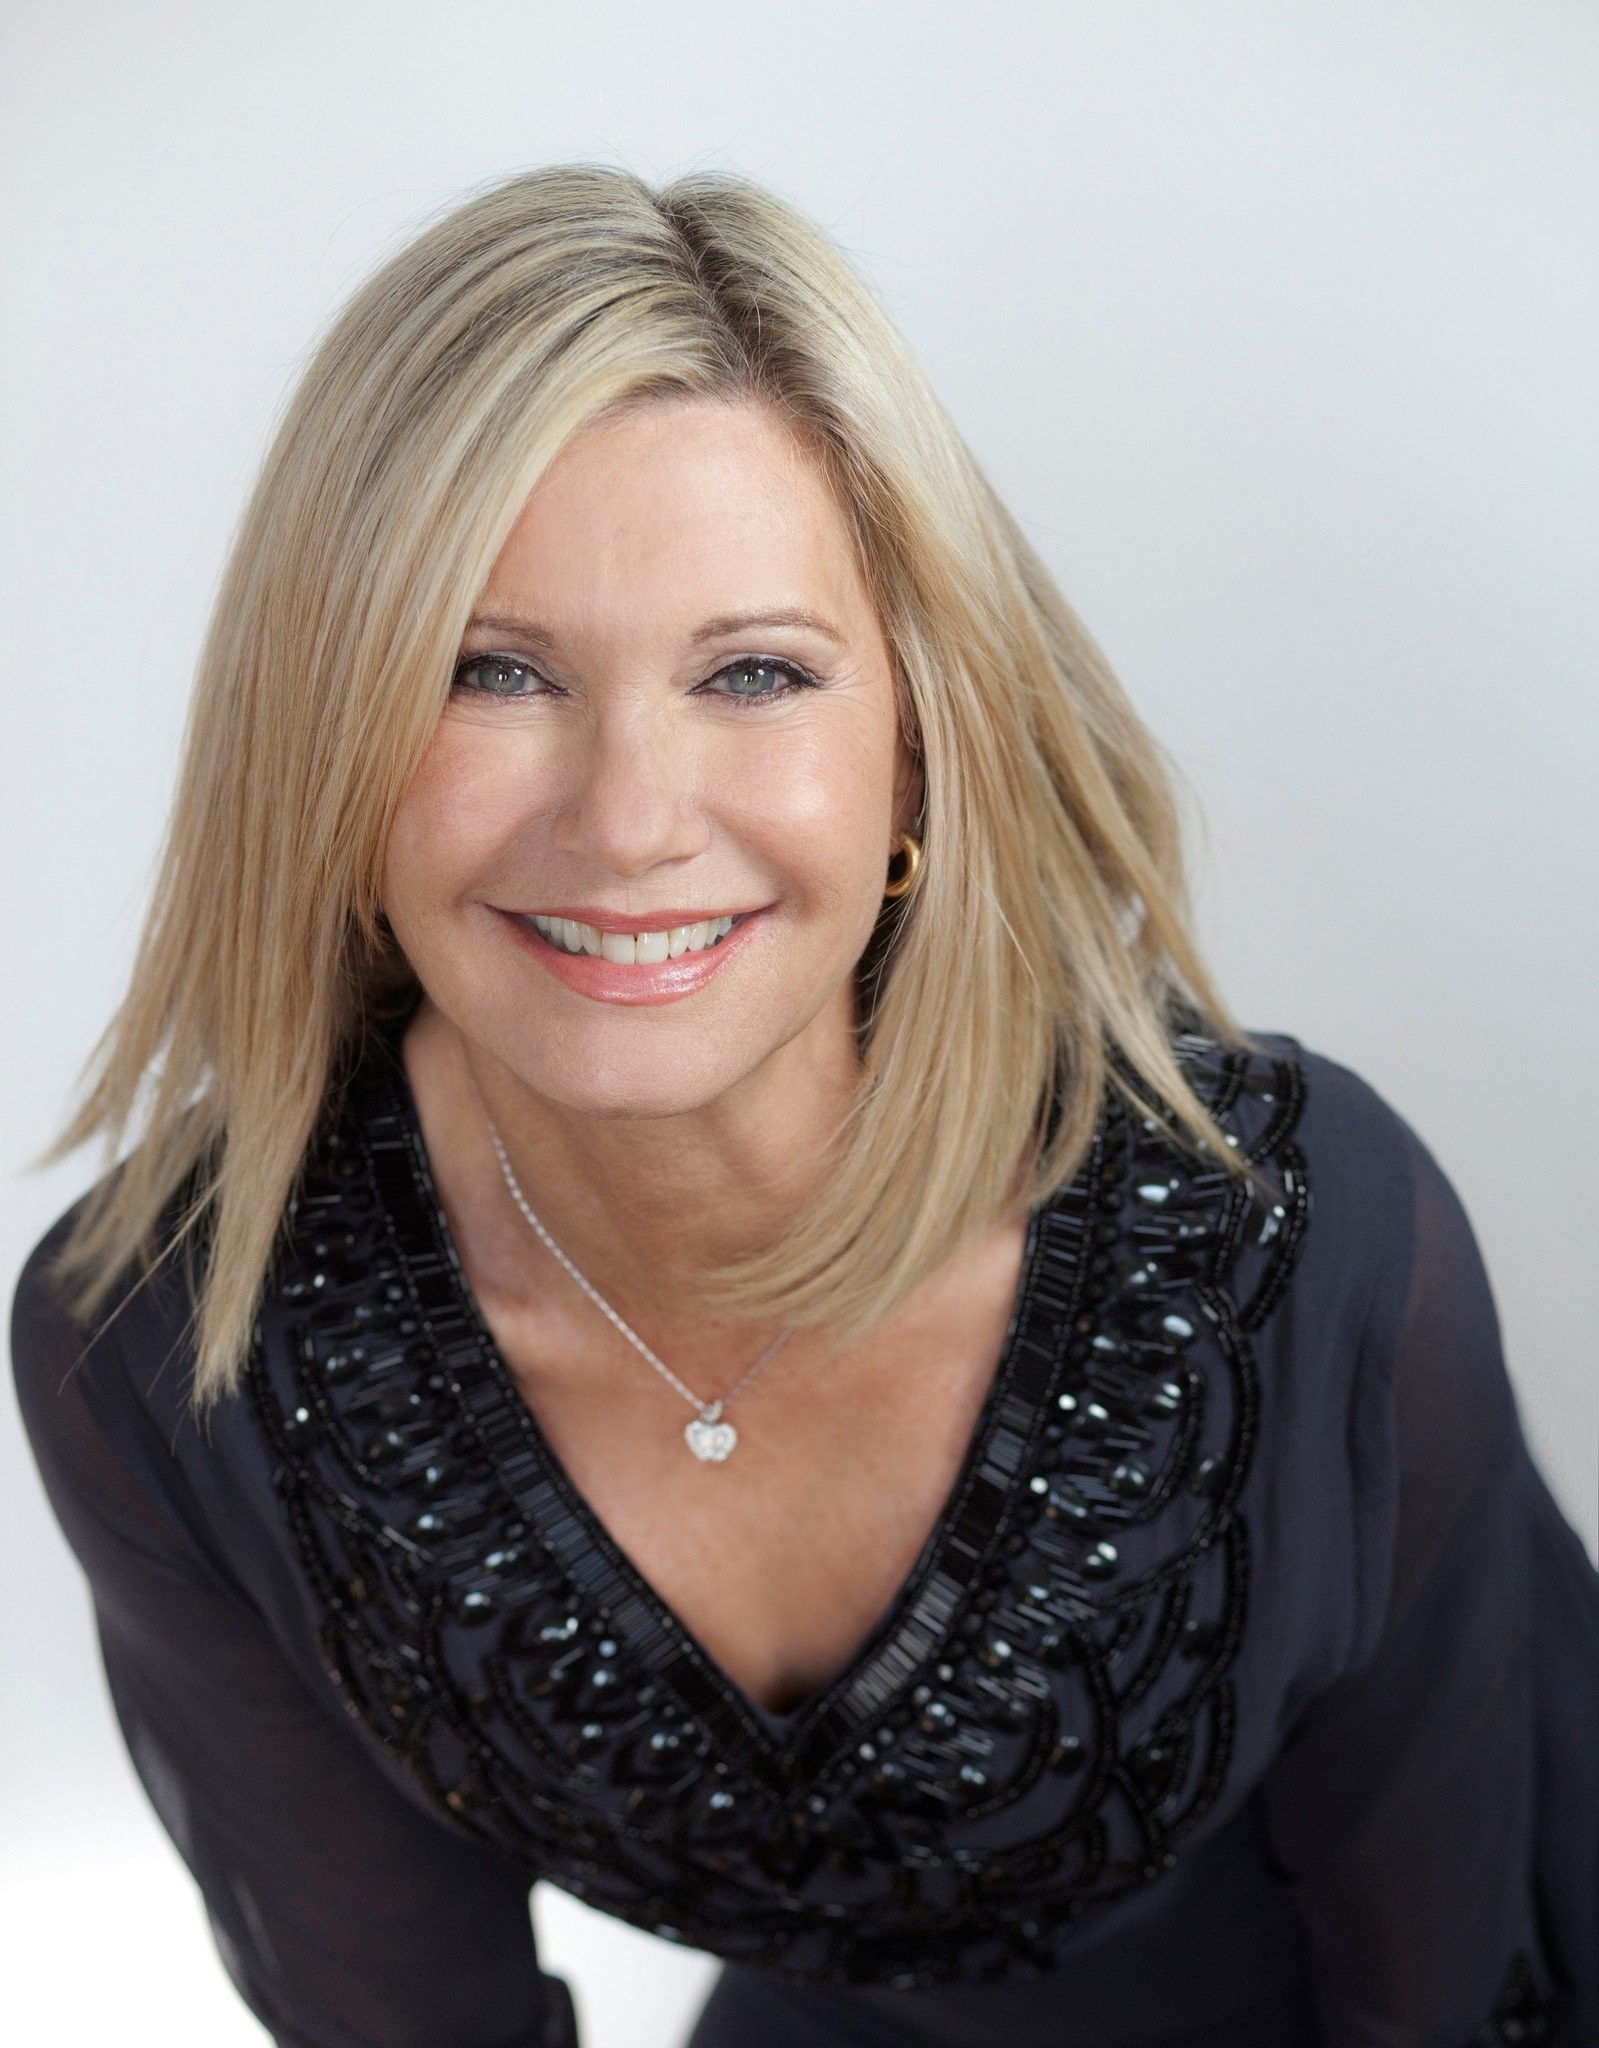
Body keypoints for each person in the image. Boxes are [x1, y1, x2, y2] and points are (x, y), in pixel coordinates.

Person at [11, 164, 1596, 2048]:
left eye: (755, 672)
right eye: (489, 670)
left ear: (917, 749)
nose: (628, 820)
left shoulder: (1298, 1252)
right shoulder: (169, 1349)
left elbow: (1451, 1986)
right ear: (324, 739)